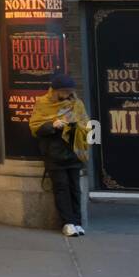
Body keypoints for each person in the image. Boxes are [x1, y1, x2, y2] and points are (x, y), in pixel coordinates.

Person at [29, 72, 91, 237]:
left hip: (74, 151)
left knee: (75, 189)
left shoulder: (77, 104)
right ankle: (68, 222)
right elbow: (35, 127)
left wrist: (75, 126)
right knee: (61, 188)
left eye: (70, 90)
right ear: (55, 90)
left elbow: (86, 124)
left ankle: (77, 222)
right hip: (54, 152)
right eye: (65, 90)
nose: (68, 93)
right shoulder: (42, 103)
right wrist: (52, 124)